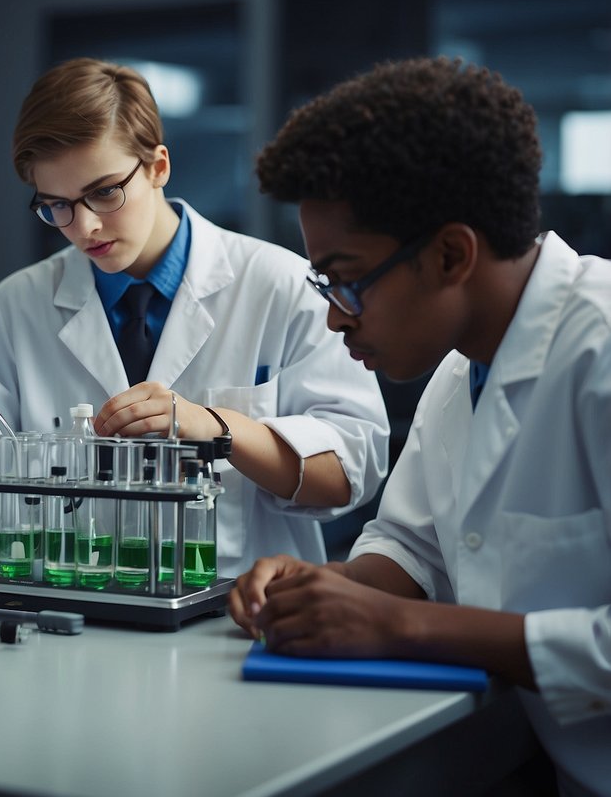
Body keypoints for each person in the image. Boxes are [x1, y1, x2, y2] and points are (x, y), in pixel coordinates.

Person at [230, 56, 611, 795]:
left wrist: (399, 627)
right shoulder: (459, 367)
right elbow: (416, 547)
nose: (335, 315)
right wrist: (324, 590)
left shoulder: (599, 348)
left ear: (448, 254)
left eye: (345, 278)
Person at [0, 58, 389, 576]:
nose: (85, 226)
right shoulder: (17, 304)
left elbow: (351, 471)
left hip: (239, 614)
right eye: (57, 206)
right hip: (71, 617)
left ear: (158, 166)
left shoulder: (279, 284)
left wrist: (220, 428)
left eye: (105, 191)